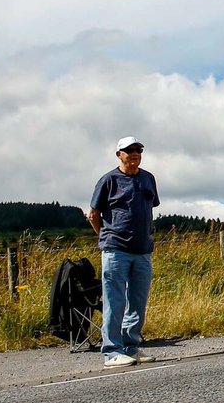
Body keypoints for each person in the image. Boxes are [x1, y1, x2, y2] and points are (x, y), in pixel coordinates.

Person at [88, 136, 160, 368]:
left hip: (142, 251)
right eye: (129, 150)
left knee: (137, 302)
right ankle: (112, 351)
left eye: (138, 149)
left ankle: (131, 347)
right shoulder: (109, 180)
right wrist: (105, 237)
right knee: (114, 301)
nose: (134, 153)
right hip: (115, 250)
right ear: (119, 154)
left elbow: (149, 209)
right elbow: (93, 215)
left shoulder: (148, 179)